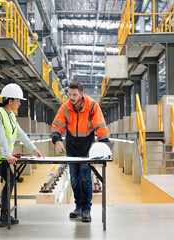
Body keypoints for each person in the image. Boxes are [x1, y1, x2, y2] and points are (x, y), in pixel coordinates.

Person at [0, 83, 44, 227]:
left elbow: (20, 134)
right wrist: (8, 154)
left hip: (3, 156)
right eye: (18, 100)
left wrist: (34, 148)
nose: (19, 103)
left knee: (11, 180)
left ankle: (4, 214)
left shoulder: (11, 116)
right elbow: (0, 136)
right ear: (10, 101)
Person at [50, 81, 110, 222]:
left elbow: (101, 126)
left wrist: (105, 148)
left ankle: (86, 209)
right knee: (75, 179)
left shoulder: (92, 106)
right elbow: (56, 125)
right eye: (69, 94)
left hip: (87, 148)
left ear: (81, 94)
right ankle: (78, 207)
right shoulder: (65, 107)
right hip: (71, 147)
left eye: (74, 95)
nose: (71, 97)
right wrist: (57, 140)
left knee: (85, 178)